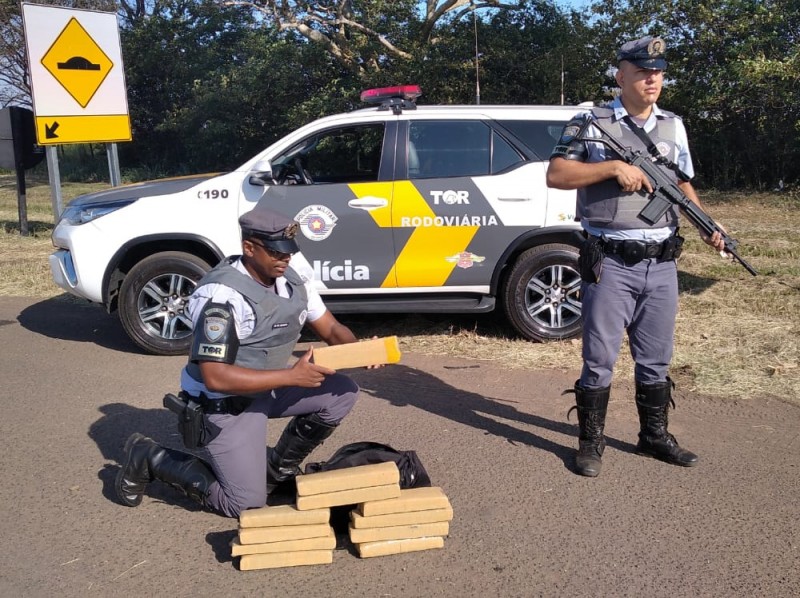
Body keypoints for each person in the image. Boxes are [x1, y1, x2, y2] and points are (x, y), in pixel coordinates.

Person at [546, 36, 726, 477]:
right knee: (600, 356)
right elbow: (557, 173)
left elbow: (681, 183)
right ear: (621, 75)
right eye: (643, 71)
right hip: (611, 261)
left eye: (658, 72)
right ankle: (591, 442)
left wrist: (707, 224)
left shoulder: (673, 126)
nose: (652, 79)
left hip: (662, 262)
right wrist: (610, 167)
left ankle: (654, 436)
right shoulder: (591, 121)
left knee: (656, 356)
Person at [115, 203, 366, 517]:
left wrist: (362, 352)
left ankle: (274, 475)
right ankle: (150, 456)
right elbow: (216, 378)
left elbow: (330, 327)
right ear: (249, 248)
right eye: (276, 252)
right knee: (244, 504)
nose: (285, 258)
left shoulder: (292, 277)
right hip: (226, 400)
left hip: (269, 386)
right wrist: (292, 377)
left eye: (288, 251)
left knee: (343, 392)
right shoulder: (221, 297)